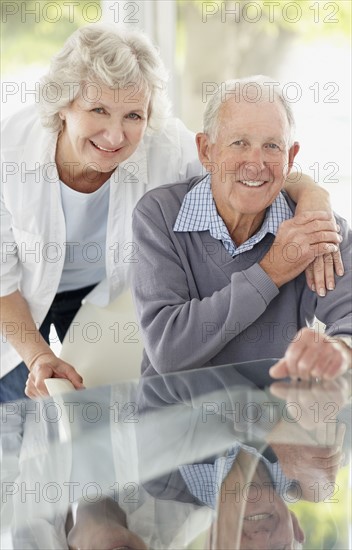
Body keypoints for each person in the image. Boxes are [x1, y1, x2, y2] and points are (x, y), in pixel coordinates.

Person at [0, 25, 341, 403]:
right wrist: (38, 355)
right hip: (16, 298)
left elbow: (246, 168)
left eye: (133, 115)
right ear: (63, 104)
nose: (115, 136)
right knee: (19, 416)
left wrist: (314, 197)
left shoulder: (166, 146)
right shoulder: (9, 152)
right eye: (98, 110)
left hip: (97, 295)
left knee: (87, 420)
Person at [131, 76, 352, 381]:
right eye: (239, 143)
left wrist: (340, 349)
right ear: (206, 150)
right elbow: (169, 351)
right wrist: (272, 271)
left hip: (274, 419)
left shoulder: (315, 226)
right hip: (175, 417)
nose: (255, 163)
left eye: (272, 146)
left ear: (290, 158)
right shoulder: (159, 215)